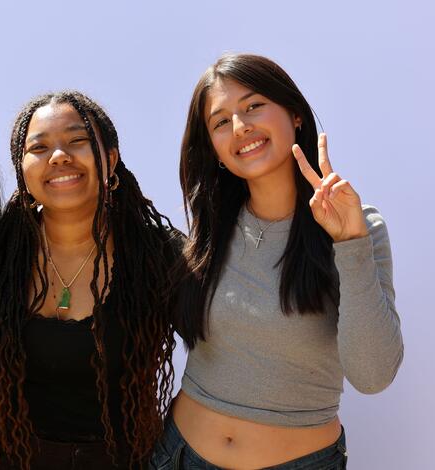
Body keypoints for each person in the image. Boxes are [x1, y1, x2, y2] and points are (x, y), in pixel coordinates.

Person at [151, 54, 404, 469]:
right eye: (220, 121)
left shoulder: (358, 225)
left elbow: (373, 376)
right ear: (214, 149)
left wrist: (350, 243)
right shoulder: (210, 228)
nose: (240, 127)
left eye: (253, 106)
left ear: (295, 116)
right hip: (179, 455)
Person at [0, 91, 182, 469]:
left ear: (109, 159)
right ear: (21, 168)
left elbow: (233, 323)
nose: (59, 156)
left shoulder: (159, 255)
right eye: (39, 147)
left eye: (77, 141)